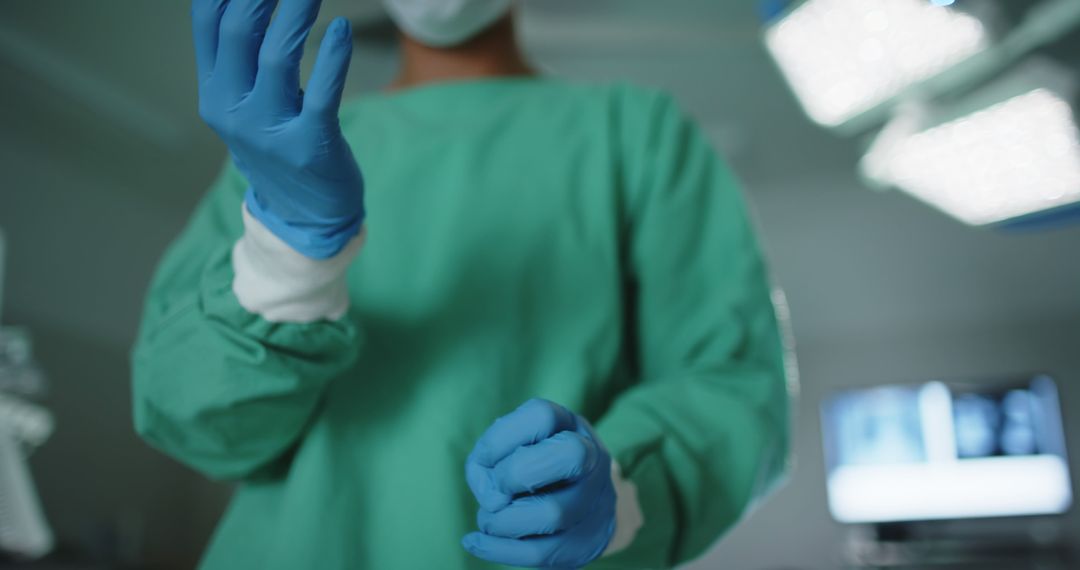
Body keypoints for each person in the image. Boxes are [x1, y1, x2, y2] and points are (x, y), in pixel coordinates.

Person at [131, 0, 792, 567]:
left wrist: (621, 493)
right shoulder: (287, 154)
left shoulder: (635, 136)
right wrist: (288, 256)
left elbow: (731, 386)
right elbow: (195, 419)